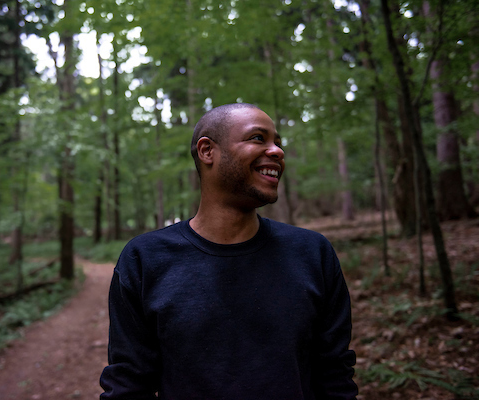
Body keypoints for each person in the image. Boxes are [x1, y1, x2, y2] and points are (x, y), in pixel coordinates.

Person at [100, 103, 358, 399]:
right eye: (258, 138)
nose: (277, 151)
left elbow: (336, 376)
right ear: (207, 151)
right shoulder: (145, 260)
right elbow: (128, 384)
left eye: (277, 142)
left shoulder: (313, 253)